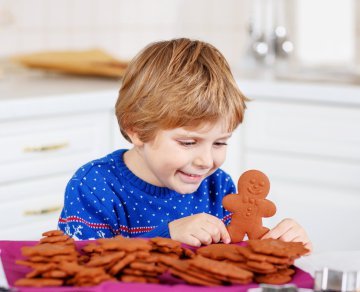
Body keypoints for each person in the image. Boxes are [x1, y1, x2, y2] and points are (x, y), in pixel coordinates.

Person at [58, 38, 312, 250]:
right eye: (189, 142)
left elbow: (234, 258)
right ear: (136, 130)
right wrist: (165, 237)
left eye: (220, 143)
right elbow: (80, 265)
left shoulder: (218, 187)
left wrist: (281, 246)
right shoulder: (94, 185)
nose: (206, 161)